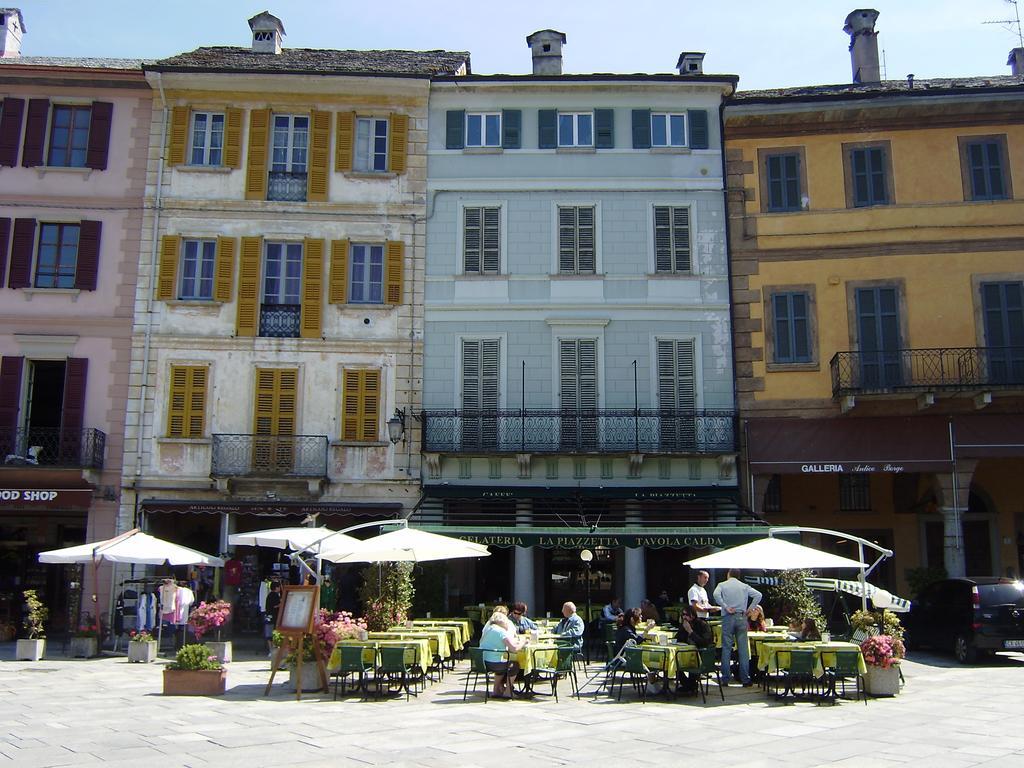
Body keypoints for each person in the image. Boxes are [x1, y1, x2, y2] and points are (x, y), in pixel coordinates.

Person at [713, 569, 762, 687]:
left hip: (728, 616)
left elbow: (715, 594)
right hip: (741, 616)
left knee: (726, 648)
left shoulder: (722, 585)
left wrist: (725, 606)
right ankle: (745, 678)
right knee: (743, 649)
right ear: (738, 576)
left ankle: (725, 678)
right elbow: (758, 595)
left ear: (728, 574)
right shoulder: (744, 586)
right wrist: (750, 608)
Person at [479, 610, 526, 698]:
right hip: (494, 664)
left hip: (483, 663)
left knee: (502, 663)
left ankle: (496, 690)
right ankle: (508, 692)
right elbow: (514, 649)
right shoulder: (501, 632)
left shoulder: (488, 629)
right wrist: (523, 642)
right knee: (514, 665)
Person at [264, 581, 281, 655]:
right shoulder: (275, 595)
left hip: (268, 616)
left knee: (269, 634)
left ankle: (270, 650)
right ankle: (273, 649)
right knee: (273, 633)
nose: (280, 588)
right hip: (273, 616)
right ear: (276, 587)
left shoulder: (269, 595)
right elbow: (275, 605)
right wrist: (281, 603)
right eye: (279, 587)